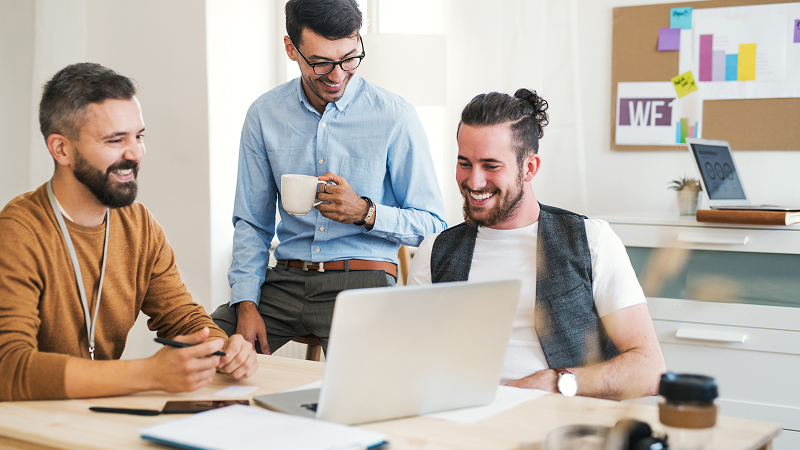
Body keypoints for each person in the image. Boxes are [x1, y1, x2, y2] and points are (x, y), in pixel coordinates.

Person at [0, 63, 258, 402]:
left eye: (139, 136)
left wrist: (222, 348)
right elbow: (8, 370)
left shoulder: (139, 224)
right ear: (61, 149)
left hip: (96, 413)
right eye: (115, 139)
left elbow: (181, 316)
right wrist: (149, 373)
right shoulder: (18, 231)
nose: (135, 153)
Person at [211, 0, 447, 354]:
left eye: (349, 58)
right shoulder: (264, 115)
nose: (337, 75)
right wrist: (245, 303)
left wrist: (365, 213)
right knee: (202, 353)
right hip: (283, 283)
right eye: (321, 63)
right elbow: (252, 222)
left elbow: (433, 226)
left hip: (362, 283)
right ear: (291, 49)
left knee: (368, 398)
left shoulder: (396, 116)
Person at [407, 89, 665, 400]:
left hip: (561, 426)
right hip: (464, 421)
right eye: (465, 163)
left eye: (491, 166)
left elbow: (649, 369)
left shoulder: (590, 240)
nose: (474, 182)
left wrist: (557, 382)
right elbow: (413, 364)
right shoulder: (435, 251)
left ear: (529, 168)